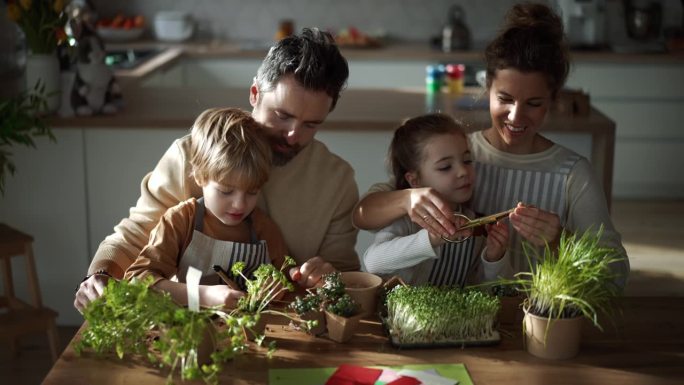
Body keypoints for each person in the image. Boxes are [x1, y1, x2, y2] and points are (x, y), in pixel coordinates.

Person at [74, 28, 359, 312]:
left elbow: (347, 275)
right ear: (255, 93)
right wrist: (100, 274)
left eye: (311, 125)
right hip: (186, 324)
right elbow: (136, 234)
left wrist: (330, 276)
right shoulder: (191, 155)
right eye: (282, 116)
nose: (292, 135)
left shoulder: (337, 180)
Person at [353, 3, 629, 286]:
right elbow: (363, 215)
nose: (516, 116)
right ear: (488, 89)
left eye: (534, 103)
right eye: (505, 99)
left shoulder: (573, 174)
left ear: (553, 99)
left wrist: (561, 240)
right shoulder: (458, 154)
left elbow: (616, 276)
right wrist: (407, 199)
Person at [124, 108, 287, 307]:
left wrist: (276, 287)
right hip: (187, 330)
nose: (240, 204)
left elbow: (287, 282)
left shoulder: (264, 229)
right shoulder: (181, 221)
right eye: (226, 191)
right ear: (200, 177)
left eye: (252, 192)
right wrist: (202, 296)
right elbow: (137, 281)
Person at [363, 113, 511, 286]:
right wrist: (429, 240)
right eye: (445, 167)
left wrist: (494, 259)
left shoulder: (474, 226)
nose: (463, 171)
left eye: (467, 160)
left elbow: (485, 290)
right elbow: (372, 262)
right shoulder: (405, 220)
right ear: (415, 181)